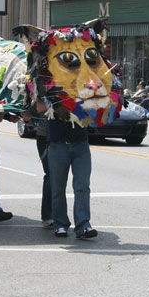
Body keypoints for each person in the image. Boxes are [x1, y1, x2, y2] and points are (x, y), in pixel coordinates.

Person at [42, 99, 97, 239]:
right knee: (58, 188)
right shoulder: (51, 89)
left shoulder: (83, 86)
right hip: (58, 145)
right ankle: (60, 224)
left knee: (82, 186)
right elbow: (40, 106)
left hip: (81, 145)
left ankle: (83, 225)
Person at [23, 104, 52, 228]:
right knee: (51, 174)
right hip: (45, 137)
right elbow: (27, 114)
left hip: (64, 138)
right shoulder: (41, 91)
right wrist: (27, 116)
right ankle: (48, 215)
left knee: (60, 177)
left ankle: (59, 216)